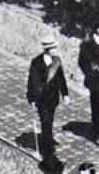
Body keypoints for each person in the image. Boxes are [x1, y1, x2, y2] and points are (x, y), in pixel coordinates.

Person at [26, 34, 69, 162]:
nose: (54, 50)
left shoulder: (56, 61)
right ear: (47, 49)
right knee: (45, 121)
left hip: (53, 97)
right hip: (42, 98)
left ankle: (48, 138)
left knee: (50, 120)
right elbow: (32, 81)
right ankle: (46, 148)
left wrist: (65, 94)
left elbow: (61, 78)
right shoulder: (37, 62)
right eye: (52, 48)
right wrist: (32, 98)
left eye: (54, 47)